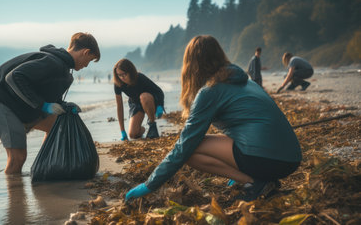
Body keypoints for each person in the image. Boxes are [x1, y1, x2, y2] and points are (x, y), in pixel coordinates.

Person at [125, 35, 302, 202]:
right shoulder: (245, 81)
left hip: (269, 159)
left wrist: (149, 185)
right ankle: (257, 177)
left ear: (191, 65)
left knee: (191, 151)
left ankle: (254, 181)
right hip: (291, 158)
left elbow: (184, 146)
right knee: (195, 144)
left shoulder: (210, 91)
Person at [0, 32, 100, 174]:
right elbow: (13, 77)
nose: (86, 66)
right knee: (18, 157)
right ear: (85, 52)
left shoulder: (64, 70)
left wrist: (65, 106)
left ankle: (44, 165)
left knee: (57, 124)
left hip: (21, 104)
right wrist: (43, 106)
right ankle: (14, 193)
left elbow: (50, 96)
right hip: (1, 100)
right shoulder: (52, 62)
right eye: (89, 60)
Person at [113, 58, 165, 140]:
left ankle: (152, 125)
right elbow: (119, 107)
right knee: (133, 134)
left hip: (150, 100)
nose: (122, 77)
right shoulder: (118, 83)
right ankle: (144, 129)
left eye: (124, 74)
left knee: (143, 96)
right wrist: (122, 131)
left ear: (130, 72)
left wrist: (160, 106)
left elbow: (159, 91)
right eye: (119, 75)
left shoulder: (140, 77)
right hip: (135, 103)